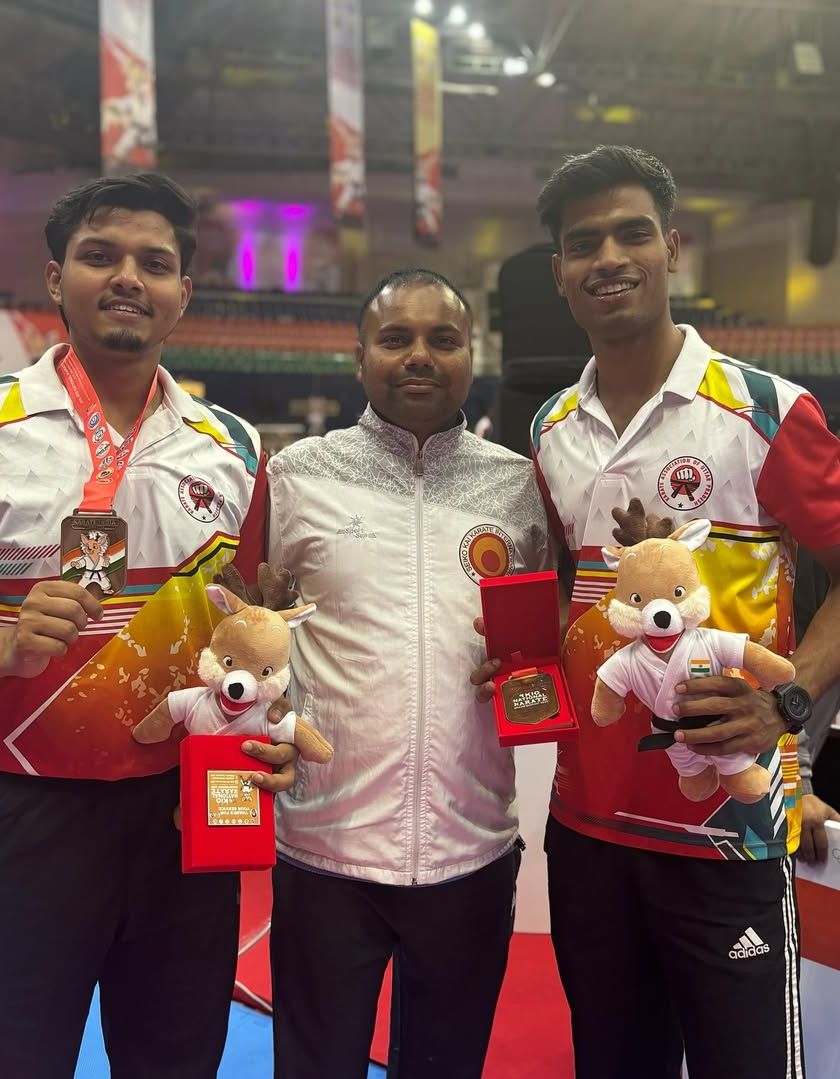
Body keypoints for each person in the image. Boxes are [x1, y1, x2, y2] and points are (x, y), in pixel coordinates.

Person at [474, 146, 840, 1079]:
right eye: (583, 243)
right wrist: (518, 661)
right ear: (559, 273)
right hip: (588, 827)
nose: (609, 257)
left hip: (731, 826)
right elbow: (569, 595)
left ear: (672, 247)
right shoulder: (549, 429)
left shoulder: (764, 411)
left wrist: (787, 701)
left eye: (632, 233)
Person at [0, 172, 296, 1079]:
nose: (129, 277)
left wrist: (277, 723)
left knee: (176, 1057)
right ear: (56, 278)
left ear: (183, 292)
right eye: (101, 255)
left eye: (154, 263)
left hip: (184, 807)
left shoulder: (234, 446)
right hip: (25, 803)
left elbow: (254, 626)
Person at [265, 268, 553, 1079]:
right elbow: (248, 626)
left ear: (473, 355)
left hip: (472, 848)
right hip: (324, 852)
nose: (420, 355)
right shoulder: (296, 477)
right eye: (396, 339)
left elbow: (548, 639)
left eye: (442, 339)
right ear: (360, 357)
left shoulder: (519, 486)